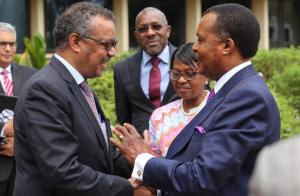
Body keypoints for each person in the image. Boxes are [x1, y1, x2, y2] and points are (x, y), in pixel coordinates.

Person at [111, 3, 280, 196]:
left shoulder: (246, 97)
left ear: (227, 46)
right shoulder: (232, 90)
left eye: (200, 40)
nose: (196, 48)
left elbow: (202, 176)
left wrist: (143, 159)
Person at [13, 2, 132, 196]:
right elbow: (63, 173)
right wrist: (129, 189)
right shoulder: (44, 90)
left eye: (114, 44)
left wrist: (144, 160)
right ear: (76, 42)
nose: (112, 53)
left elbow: (101, 156)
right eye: (106, 44)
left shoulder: (79, 87)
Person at [114, 7, 178, 135]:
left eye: (156, 27)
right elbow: (124, 119)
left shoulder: (189, 62)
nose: (150, 33)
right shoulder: (122, 69)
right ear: (136, 36)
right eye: (143, 29)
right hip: (141, 149)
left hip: (183, 147)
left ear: (168, 31)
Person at [149, 43, 209, 158]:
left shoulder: (218, 108)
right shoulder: (160, 116)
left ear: (206, 74)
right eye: (176, 74)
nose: (181, 80)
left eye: (189, 74)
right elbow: (154, 162)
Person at [0, 22, 36, 196]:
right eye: (2, 44)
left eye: (11, 44)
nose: (8, 48)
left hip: (25, 169)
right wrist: (3, 132)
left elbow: (42, 116)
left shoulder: (33, 75)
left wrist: (20, 144)